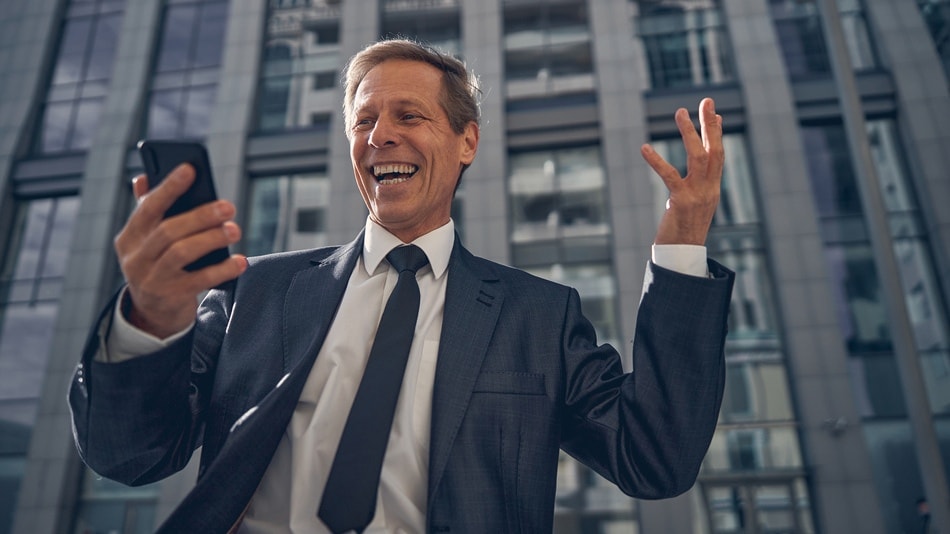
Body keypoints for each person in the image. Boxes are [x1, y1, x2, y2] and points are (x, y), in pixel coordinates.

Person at [69, 39, 734, 533]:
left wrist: (684, 244)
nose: (380, 135)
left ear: (465, 140)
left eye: (409, 117)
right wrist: (150, 319)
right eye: (363, 122)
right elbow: (130, 455)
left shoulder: (540, 318)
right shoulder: (257, 292)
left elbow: (654, 460)